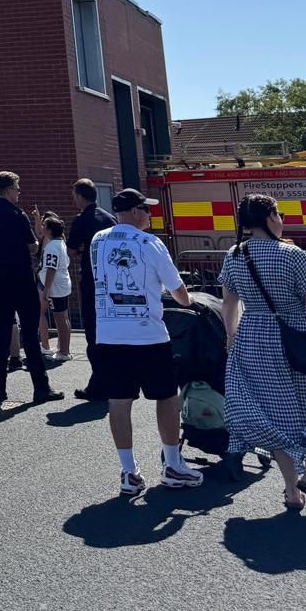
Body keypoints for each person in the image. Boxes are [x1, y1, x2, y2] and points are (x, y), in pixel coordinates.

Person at [91, 188, 203, 496]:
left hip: (110, 333)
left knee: (119, 400)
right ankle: (172, 463)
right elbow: (177, 290)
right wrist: (188, 300)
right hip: (148, 334)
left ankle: (129, 471)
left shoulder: (98, 241)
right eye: (147, 209)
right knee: (167, 396)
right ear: (135, 212)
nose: (150, 215)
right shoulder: (150, 243)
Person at [219, 193, 306, 511]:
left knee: (278, 418)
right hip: (297, 337)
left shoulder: (234, 255)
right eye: (279, 214)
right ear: (270, 217)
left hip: (253, 338)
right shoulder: (291, 255)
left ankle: (293, 492)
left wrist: (231, 338)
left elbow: (229, 303)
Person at [0, 172, 62, 407]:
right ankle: (40, 387)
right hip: (22, 279)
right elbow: (31, 244)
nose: (19, 192)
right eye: (17, 188)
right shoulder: (17, 215)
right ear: (7, 190)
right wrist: (38, 242)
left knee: (3, 333)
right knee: (30, 337)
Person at [68, 178, 115, 400]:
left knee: (94, 333)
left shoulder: (81, 220)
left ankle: (99, 383)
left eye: (74, 195)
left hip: (91, 281)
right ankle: (114, 378)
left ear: (80, 196)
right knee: (111, 331)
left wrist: (81, 250)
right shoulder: (109, 218)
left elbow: (72, 251)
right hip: (113, 282)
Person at [37, 216, 72, 359]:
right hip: (62, 284)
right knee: (64, 318)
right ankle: (64, 349)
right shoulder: (60, 243)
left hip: (55, 287)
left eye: (44, 225)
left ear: (50, 229)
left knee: (59, 319)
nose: (42, 227)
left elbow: (51, 269)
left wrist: (46, 290)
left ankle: (63, 351)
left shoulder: (51, 246)